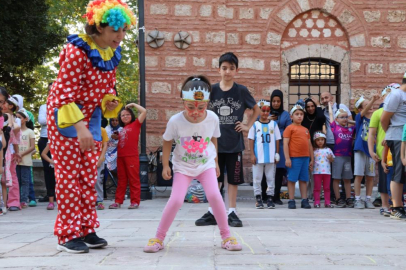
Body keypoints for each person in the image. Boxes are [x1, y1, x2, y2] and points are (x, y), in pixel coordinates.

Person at [47, 0, 135, 253]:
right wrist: (79, 127)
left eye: (124, 30)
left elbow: (107, 90)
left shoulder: (111, 53)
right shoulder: (77, 52)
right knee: (68, 178)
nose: (120, 36)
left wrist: (110, 103)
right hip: (66, 119)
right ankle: (66, 234)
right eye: (114, 31)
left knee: (88, 176)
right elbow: (64, 95)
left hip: (92, 119)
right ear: (98, 28)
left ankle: (86, 228)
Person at [143, 76, 242, 253]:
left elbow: (213, 139)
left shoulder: (212, 118)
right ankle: (158, 238)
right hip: (183, 166)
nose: (195, 112)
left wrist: (216, 163)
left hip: (206, 165)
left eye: (201, 107)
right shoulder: (175, 121)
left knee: (214, 195)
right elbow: (167, 141)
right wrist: (165, 165)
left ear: (208, 103)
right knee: (176, 200)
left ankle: (226, 236)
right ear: (183, 102)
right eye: (190, 107)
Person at [196, 52, 260, 228]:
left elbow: (256, 110)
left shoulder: (241, 90)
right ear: (219, 70)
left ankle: (232, 211)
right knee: (214, 178)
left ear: (236, 70)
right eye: (224, 68)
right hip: (214, 144)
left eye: (231, 68)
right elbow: (201, 109)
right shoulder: (212, 90)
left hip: (234, 143)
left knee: (233, 178)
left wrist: (247, 126)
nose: (227, 71)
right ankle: (213, 211)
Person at [368, 84, 399, 215]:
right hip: (384, 153)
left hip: (399, 151)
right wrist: (371, 150)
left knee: (398, 180)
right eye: (387, 95)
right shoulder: (377, 113)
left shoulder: (400, 112)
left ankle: (397, 205)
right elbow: (371, 133)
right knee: (384, 180)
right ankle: (385, 205)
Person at [109, 103, 146, 209]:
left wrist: (133, 104)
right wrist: (115, 137)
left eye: (127, 114)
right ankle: (118, 201)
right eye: (122, 115)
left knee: (133, 179)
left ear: (132, 116)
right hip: (120, 157)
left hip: (131, 156)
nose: (125, 117)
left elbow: (144, 111)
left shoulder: (136, 124)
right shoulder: (121, 129)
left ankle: (135, 202)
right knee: (121, 180)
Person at [381, 74, 406, 219]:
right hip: (397, 136)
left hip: (403, 136)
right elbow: (384, 119)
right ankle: (396, 207)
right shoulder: (396, 95)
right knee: (399, 170)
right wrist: (389, 134)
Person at [248, 99, 281, 209]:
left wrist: (277, 153)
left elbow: (277, 139)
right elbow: (251, 140)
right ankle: (258, 198)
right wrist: (252, 154)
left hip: (271, 157)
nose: (265, 113)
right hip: (258, 156)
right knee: (257, 178)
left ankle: (270, 197)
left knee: (270, 178)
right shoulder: (255, 125)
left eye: (267, 111)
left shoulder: (273, 124)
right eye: (263, 111)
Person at [353, 93, 381, 209]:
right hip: (360, 149)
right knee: (359, 175)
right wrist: (373, 100)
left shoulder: (376, 119)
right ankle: (357, 199)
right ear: (360, 109)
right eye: (366, 105)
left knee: (370, 176)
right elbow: (364, 112)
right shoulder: (359, 118)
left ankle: (368, 199)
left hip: (372, 151)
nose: (370, 106)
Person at [284, 104, 314, 209]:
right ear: (291, 116)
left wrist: (312, 159)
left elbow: (309, 144)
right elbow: (285, 144)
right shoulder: (289, 128)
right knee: (292, 179)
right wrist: (287, 158)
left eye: (301, 114)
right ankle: (291, 200)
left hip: (305, 158)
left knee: (304, 179)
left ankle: (304, 199)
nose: (299, 116)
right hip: (294, 158)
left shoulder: (306, 129)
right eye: (297, 114)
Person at [264, 90, 291, 205]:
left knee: (279, 172)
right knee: (266, 171)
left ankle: (276, 196)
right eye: (274, 101)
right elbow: (258, 124)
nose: (276, 103)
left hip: (280, 146)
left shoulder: (285, 114)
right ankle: (264, 196)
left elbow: (289, 129)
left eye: (278, 101)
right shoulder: (266, 112)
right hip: (267, 145)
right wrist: (268, 119)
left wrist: (280, 132)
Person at [328, 103, 355, 208]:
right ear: (336, 119)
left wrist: (350, 120)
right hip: (337, 157)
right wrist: (330, 106)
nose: (344, 119)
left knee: (347, 179)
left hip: (347, 157)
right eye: (342, 117)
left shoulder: (351, 129)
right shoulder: (334, 127)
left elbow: (359, 123)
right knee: (336, 178)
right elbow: (331, 115)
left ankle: (348, 198)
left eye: (346, 117)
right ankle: (338, 198)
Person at [302, 97, 326, 201]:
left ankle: (315, 194)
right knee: (307, 173)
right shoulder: (303, 117)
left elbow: (322, 117)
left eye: (312, 106)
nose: (310, 108)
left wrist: (318, 104)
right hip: (305, 148)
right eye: (308, 107)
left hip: (317, 148)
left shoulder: (318, 116)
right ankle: (306, 195)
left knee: (316, 173)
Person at [38, 82, 55, 204]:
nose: (52, 92)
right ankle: (50, 195)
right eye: (50, 90)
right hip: (45, 138)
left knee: (61, 169)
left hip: (59, 139)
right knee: (47, 169)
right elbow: (41, 120)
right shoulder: (43, 107)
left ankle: (61, 194)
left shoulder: (65, 105)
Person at [4, 96, 21, 212]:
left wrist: (17, 152)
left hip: (9, 151)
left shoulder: (16, 119)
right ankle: (3, 202)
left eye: (4, 102)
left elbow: (15, 133)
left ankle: (14, 202)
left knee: (12, 177)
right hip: (2, 148)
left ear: (11, 106)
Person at [15, 109, 35, 209]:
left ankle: (24, 200)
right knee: (16, 181)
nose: (17, 119)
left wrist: (21, 154)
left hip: (26, 161)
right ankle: (16, 200)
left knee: (25, 181)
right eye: (16, 117)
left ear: (26, 119)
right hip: (16, 160)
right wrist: (16, 154)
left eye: (20, 117)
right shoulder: (15, 131)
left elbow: (32, 147)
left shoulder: (30, 132)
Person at [312, 131, 335, 208]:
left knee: (327, 188)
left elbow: (332, 160)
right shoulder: (313, 150)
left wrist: (330, 158)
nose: (320, 141)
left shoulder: (328, 149)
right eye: (318, 140)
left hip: (327, 172)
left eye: (322, 139)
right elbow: (311, 160)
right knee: (317, 188)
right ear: (315, 141)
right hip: (317, 172)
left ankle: (327, 202)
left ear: (325, 140)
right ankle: (317, 202)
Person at [40, 143, 56, 210]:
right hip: (53, 167)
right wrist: (51, 161)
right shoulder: (52, 141)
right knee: (50, 183)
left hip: (65, 167)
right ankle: (51, 202)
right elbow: (43, 154)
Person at [96, 127, 108, 210]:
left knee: (98, 180)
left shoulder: (102, 130)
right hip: (86, 160)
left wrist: (101, 158)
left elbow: (105, 145)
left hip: (99, 160)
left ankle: (99, 200)